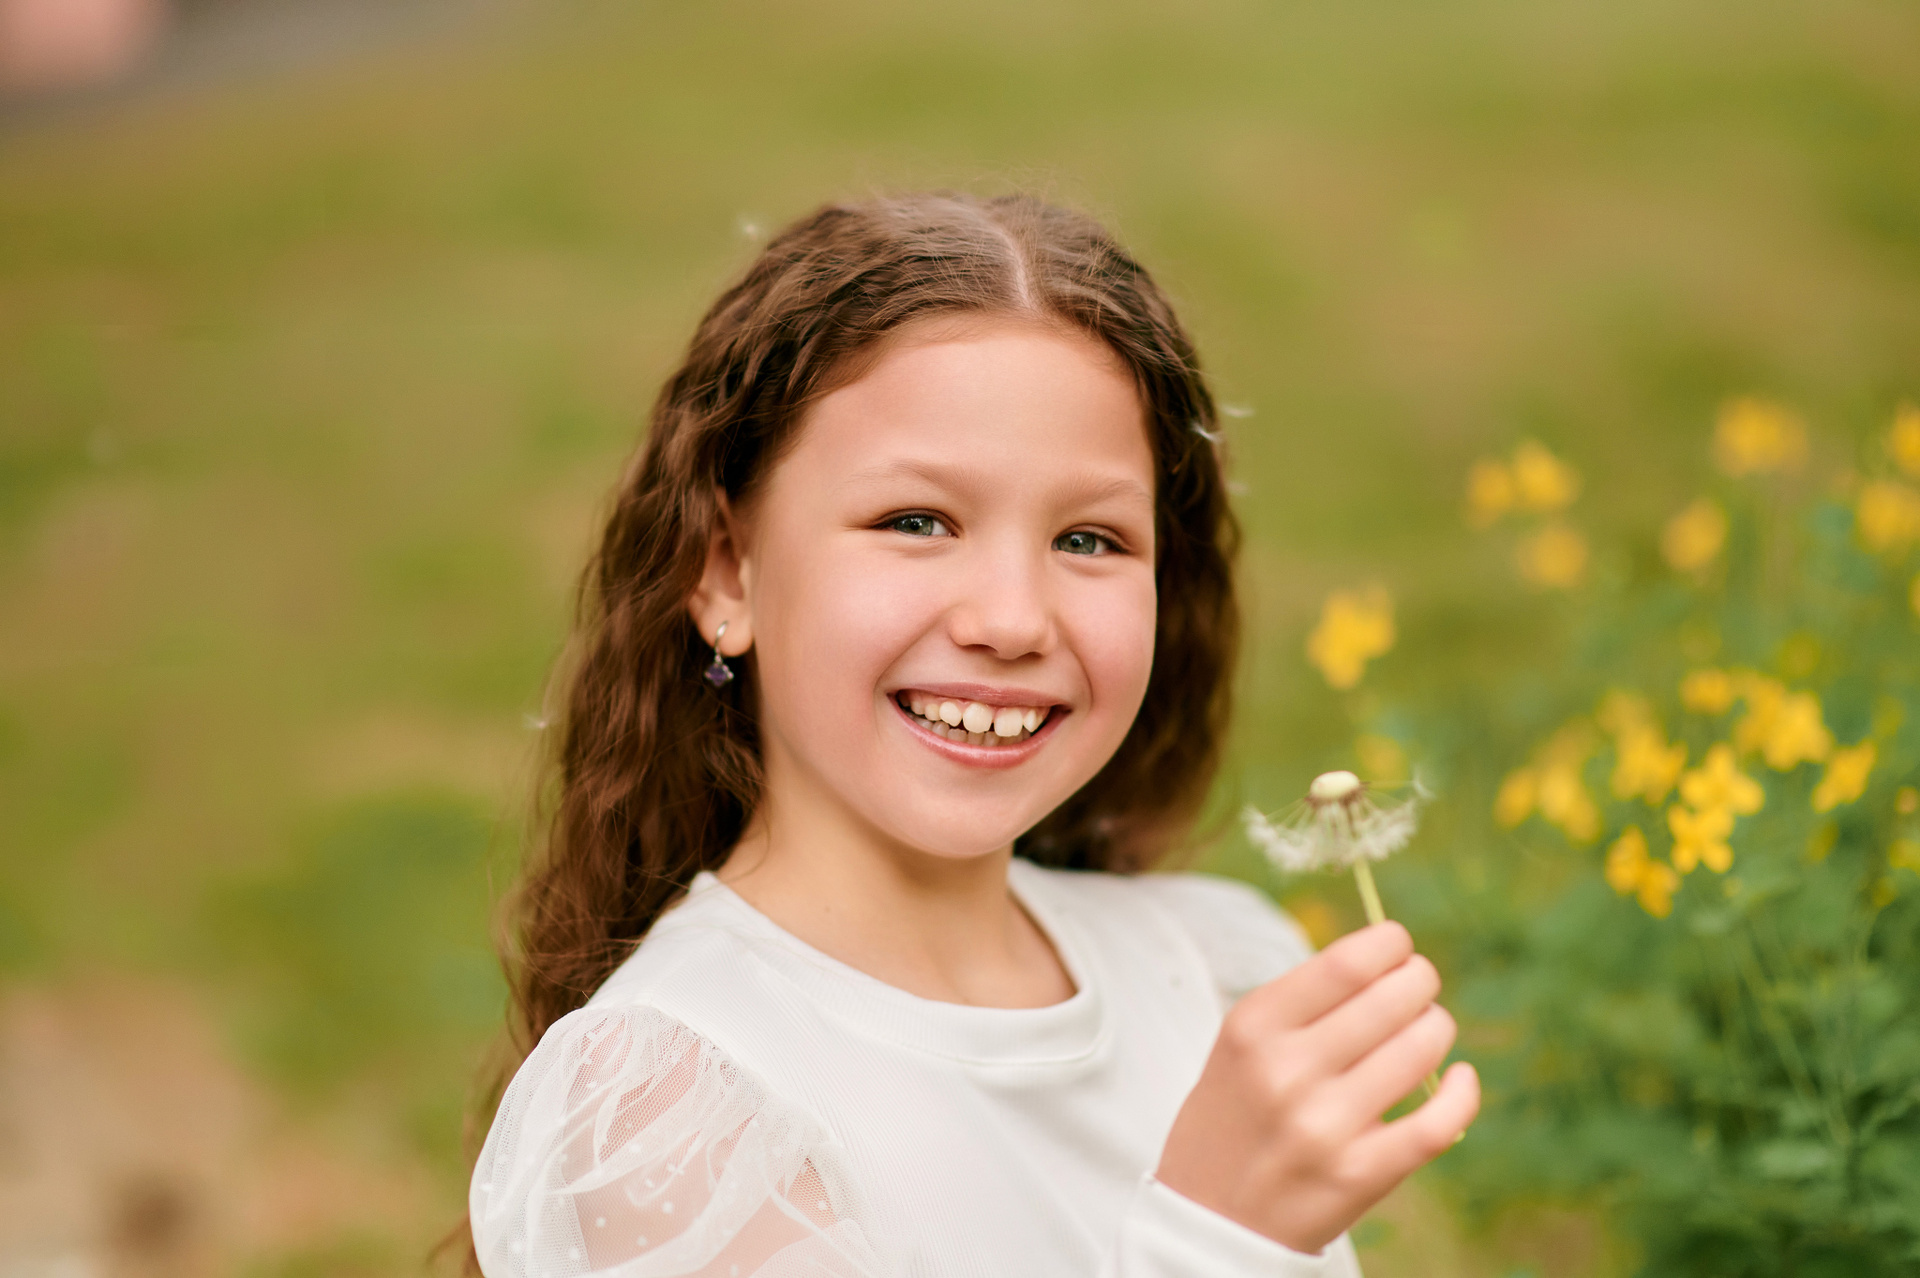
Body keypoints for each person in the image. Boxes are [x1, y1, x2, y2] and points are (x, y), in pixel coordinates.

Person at [466, 192, 1478, 1278]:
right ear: (726, 571)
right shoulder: (677, 1111)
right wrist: (1216, 1235)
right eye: (916, 522)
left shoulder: (1212, 971)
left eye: (1088, 539)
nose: (1012, 619)